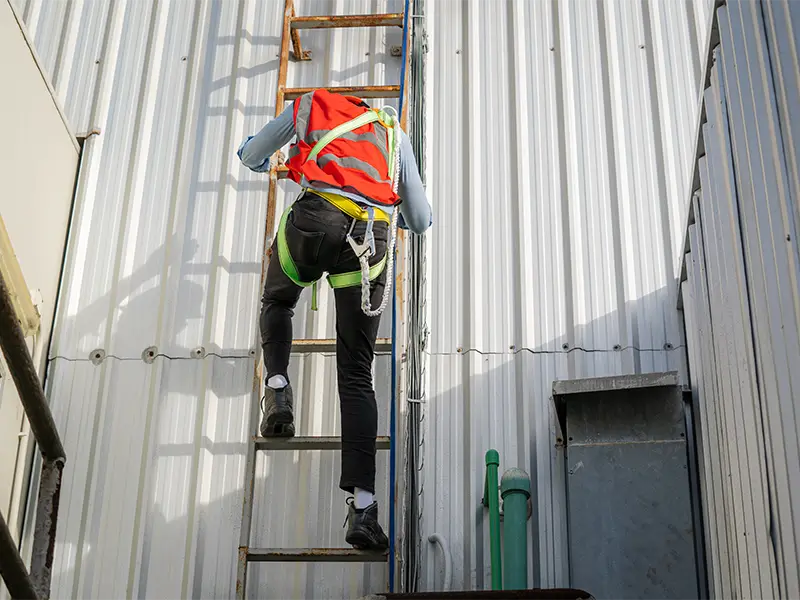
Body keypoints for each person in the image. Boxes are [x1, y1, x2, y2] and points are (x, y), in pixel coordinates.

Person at [237, 89, 431, 551]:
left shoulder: (312, 105)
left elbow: (252, 153)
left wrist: (262, 163)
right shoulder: (392, 133)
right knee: (356, 375)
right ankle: (363, 510)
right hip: (369, 240)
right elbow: (421, 219)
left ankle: (279, 392)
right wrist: (389, 217)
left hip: (314, 221)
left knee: (279, 302)